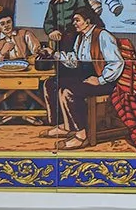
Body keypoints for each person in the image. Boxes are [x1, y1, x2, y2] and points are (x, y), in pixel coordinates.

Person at [51, 8, 124, 147]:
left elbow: (117, 63)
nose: (74, 23)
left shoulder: (102, 36)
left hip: (105, 81)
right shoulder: (80, 38)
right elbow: (74, 61)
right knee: (58, 86)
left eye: (77, 20)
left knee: (69, 92)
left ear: (88, 21)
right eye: (74, 20)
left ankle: (81, 136)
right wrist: (56, 54)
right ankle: (69, 127)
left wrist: (100, 80)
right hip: (88, 78)